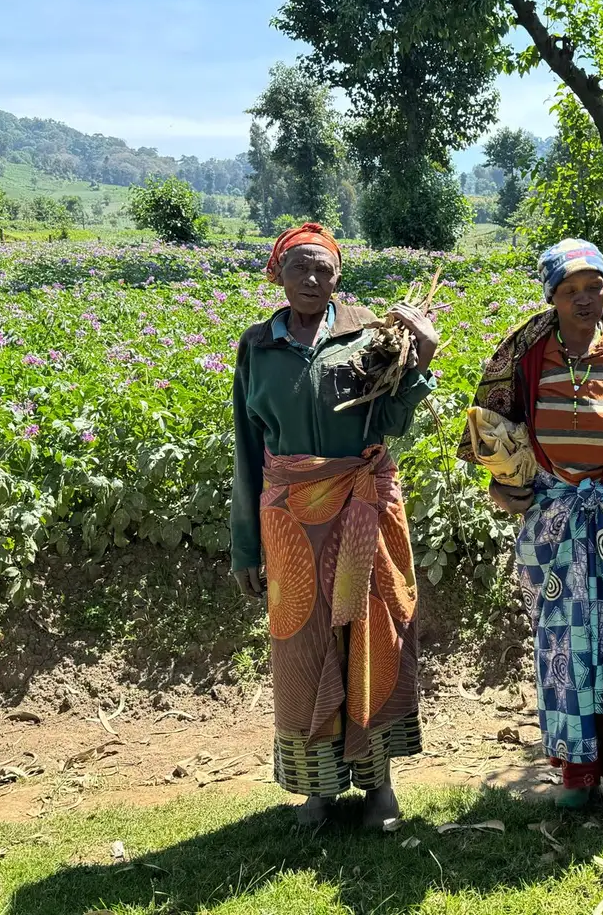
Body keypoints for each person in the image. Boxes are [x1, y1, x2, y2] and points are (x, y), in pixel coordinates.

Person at [458, 238, 603, 835]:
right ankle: (578, 777)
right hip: (553, 524)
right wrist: (500, 487)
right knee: (567, 653)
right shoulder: (527, 353)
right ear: (552, 296)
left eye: (594, 287)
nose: (586, 299)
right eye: (571, 290)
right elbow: (489, 428)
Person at [230, 223, 439, 827]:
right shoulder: (258, 348)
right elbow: (247, 449)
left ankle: (380, 791)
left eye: (324, 268)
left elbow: (393, 421)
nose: (313, 279)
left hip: (363, 507)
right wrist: (246, 546)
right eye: (300, 267)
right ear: (278, 273)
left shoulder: (367, 338)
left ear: (338, 276)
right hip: (291, 520)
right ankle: (317, 788)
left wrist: (420, 358)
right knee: (305, 647)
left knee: (372, 642)